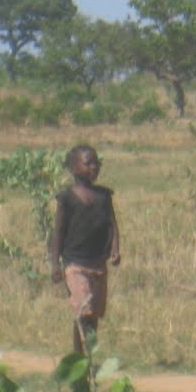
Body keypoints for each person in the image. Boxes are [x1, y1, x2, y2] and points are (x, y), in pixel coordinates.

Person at [48, 144, 121, 354]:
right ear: (73, 168)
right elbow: (58, 232)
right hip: (75, 264)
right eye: (88, 163)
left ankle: (89, 355)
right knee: (83, 311)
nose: (94, 167)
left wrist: (115, 248)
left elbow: (112, 224)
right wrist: (55, 264)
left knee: (94, 314)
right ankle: (79, 357)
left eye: (96, 163)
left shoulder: (104, 196)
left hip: (98, 264)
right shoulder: (67, 199)